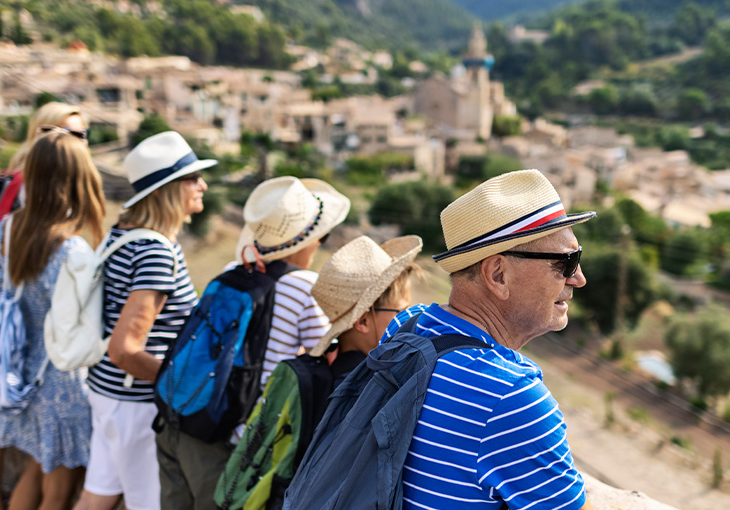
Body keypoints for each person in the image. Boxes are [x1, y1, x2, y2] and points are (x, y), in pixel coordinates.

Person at [383, 169, 597, 509]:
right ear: (498, 274)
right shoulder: (512, 399)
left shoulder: (405, 327)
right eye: (566, 262)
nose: (579, 279)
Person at [156, 176, 349, 509]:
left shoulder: (234, 269)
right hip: (231, 442)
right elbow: (330, 352)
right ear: (309, 240)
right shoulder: (306, 287)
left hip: (179, 419)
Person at [0, 102, 89, 510]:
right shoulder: (36, 182)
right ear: (41, 132)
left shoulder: (13, 172)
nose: (72, 142)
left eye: (80, 135)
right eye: (63, 133)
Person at [212, 235, 422, 510]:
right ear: (362, 321)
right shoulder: (364, 389)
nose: (409, 319)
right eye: (402, 310)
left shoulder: (325, 372)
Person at [73, 131, 211, 510]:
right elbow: (125, 348)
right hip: (136, 404)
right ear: (167, 189)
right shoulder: (156, 251)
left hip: (107, 392)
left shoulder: (124, 236)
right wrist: (181, 388)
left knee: (95, 498)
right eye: (191, 178)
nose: (202, 185)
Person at [0, 130, 106, 509]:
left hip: (21, 373)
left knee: (36, 471)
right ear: (78, 182)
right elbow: (83, 327)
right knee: (58, 495)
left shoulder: (7, 229)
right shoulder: (71, 249)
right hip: (62, 382)